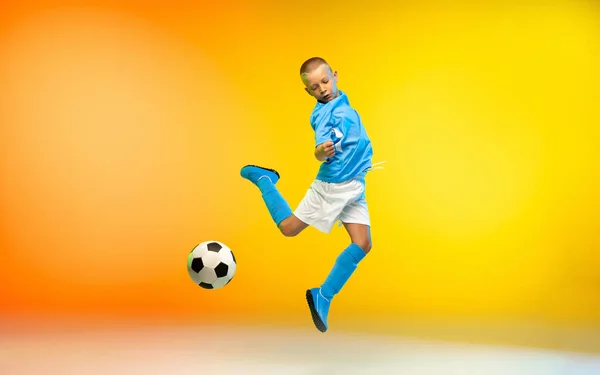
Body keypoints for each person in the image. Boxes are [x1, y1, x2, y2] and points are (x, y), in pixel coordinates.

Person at [240, 57, 381, 333]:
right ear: (309, 92)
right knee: (289, 228)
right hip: (333, 187)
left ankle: (323, 295)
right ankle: (265, 180)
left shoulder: (342, 102)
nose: (323, 89)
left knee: (363, 243)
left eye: (325, 82)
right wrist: (321, 152)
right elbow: (318, 148)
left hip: (354, 185)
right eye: (315, 88)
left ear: (336, 76)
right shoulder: (323, 115)